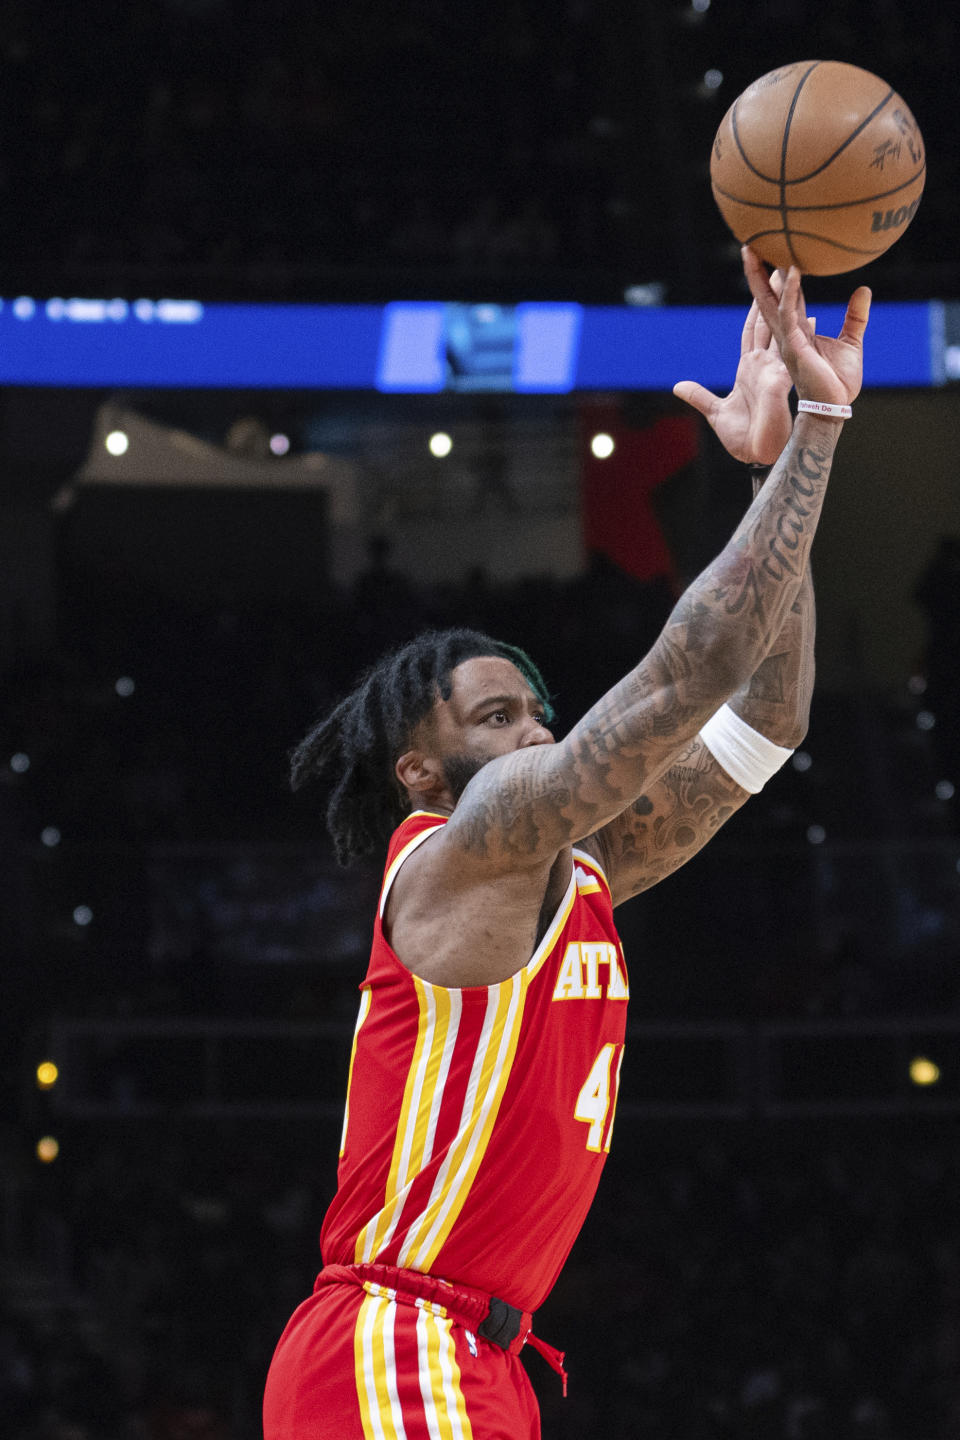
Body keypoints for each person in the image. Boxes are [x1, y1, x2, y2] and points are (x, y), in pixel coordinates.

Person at [262, 249, 871, 1440]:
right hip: (394, 1341)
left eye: (539, 707)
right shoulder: (461, 847)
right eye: (499, 718)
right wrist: (823, 424)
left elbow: (768, 720)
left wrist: (765, 479)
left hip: (481, 1356)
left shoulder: (574, 873)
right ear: (421, 773)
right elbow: (690, 674)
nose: (536, 729)